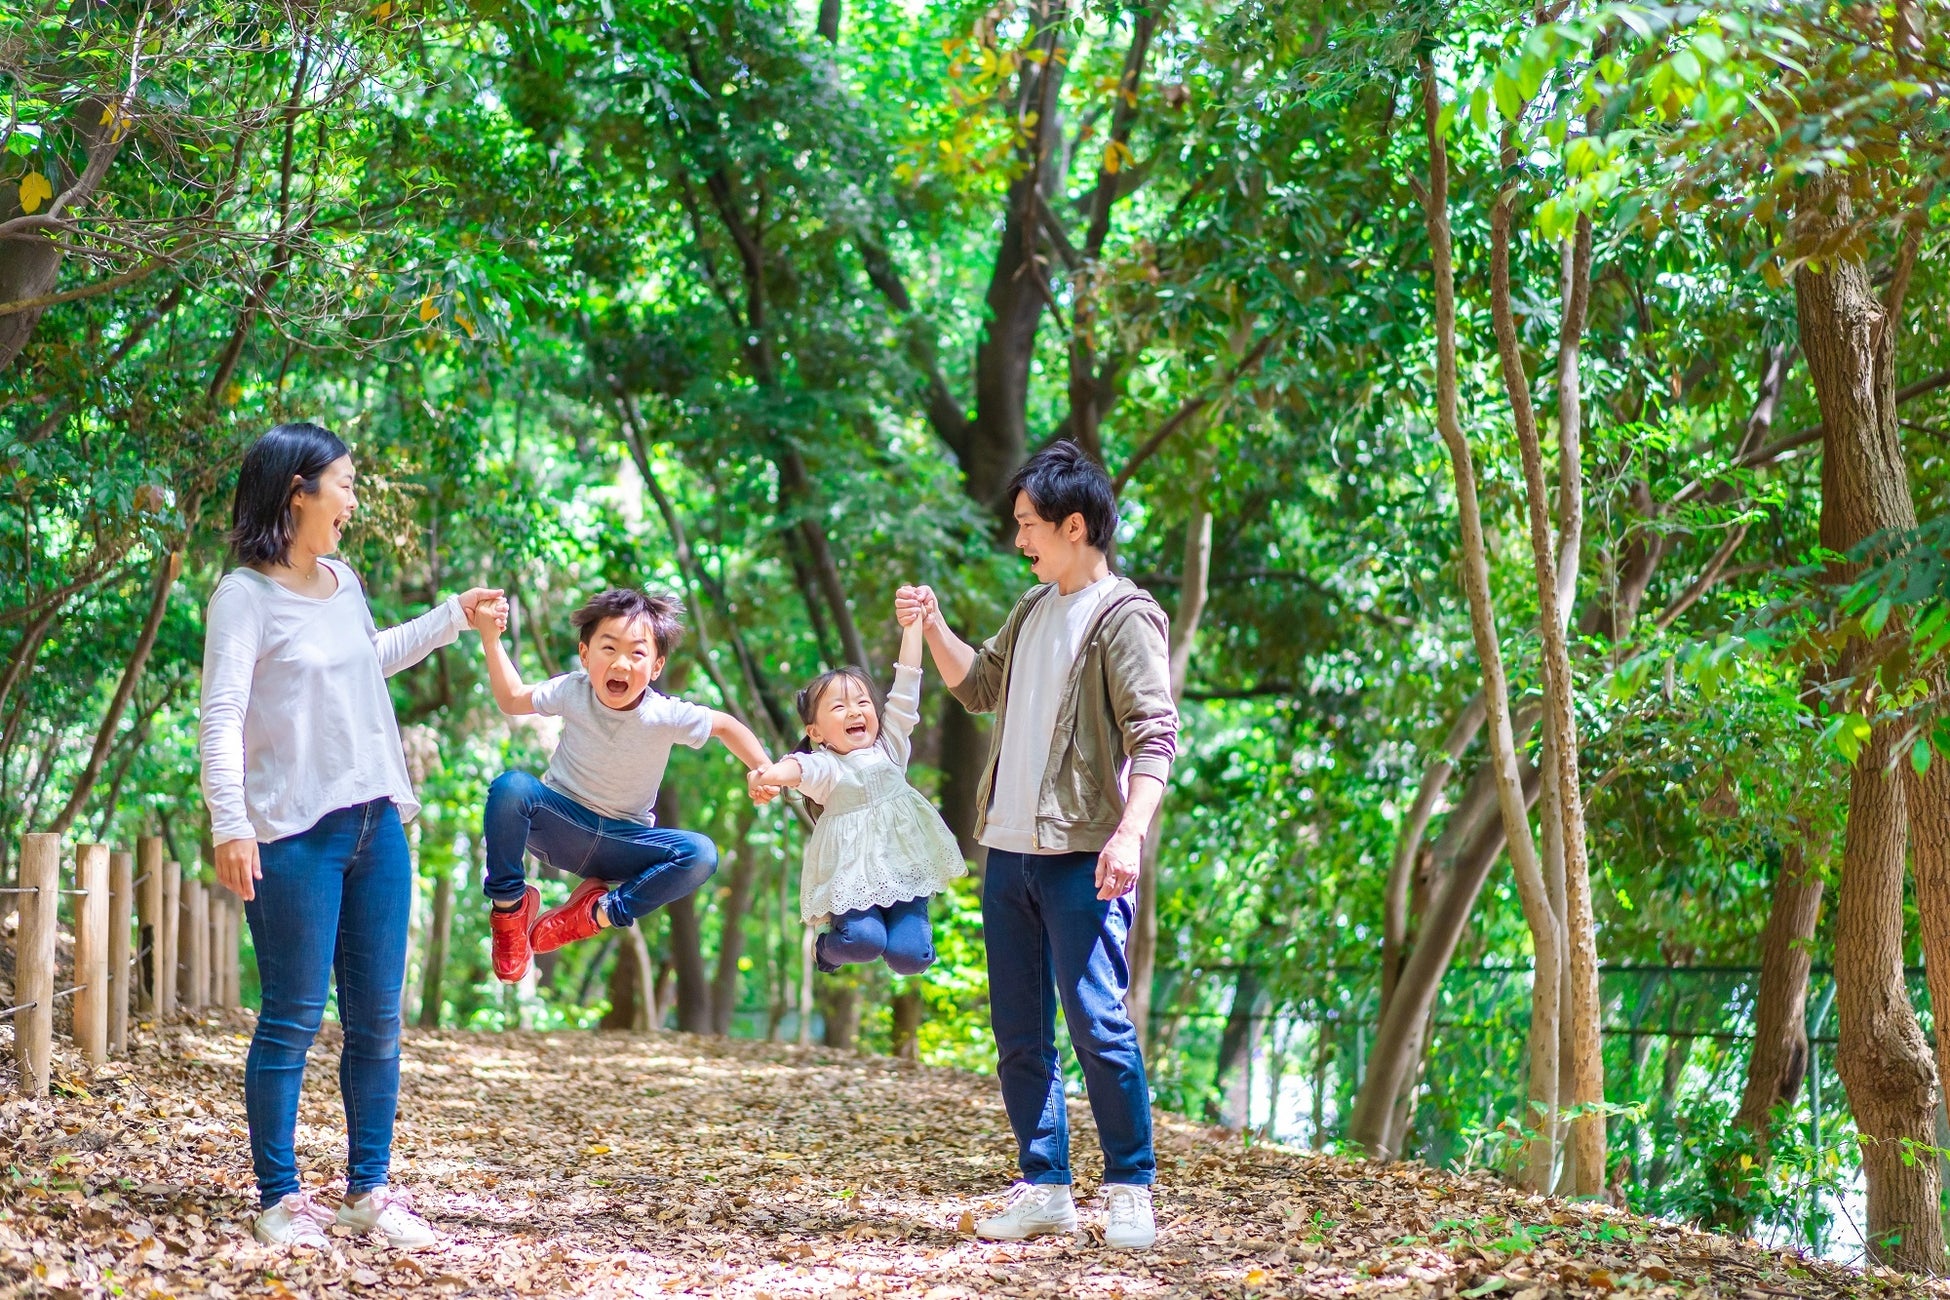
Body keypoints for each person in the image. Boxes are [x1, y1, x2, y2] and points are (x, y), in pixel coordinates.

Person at [201, 422, 502, 1251]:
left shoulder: (344, 579)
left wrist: (450, 617)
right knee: (292, 1019)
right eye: (345, 482)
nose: (354, 497)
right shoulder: (244, 597)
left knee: (377, 1023)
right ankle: (280, 1199)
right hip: (293, 834)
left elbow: (365, 660)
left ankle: (369, 1192)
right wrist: (232, 822)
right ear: (297, 492)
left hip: (377, 825)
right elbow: (222, 714)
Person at [898, 440, 1178, 1250]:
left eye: (1029, 525)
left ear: (1076, 525)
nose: (1019, 539)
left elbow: (1155, 737)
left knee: (1098, 1023)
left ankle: (1130, 1184)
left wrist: (1130, 833)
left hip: (1083, 854)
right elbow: (978, 687)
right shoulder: (1031, 610)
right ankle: (1045, 1184)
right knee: (1020, 1032)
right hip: (1009, 849)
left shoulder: (1126, 619)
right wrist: (934, 624)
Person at [473, 587, 771, 980]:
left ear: (656, 666)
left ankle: (598, 912)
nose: (621, 663)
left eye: (637, 652)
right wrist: (490, 639)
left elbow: (726, 726)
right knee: (511, 788)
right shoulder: (572, 690)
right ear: (585, 655)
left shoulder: (665, 714)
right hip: (559, 827)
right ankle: (510, 910)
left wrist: (763, 767)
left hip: (622, 843)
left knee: (701, 854)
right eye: (609, 648)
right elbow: (512, 699)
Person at [745, 606, 965, 975]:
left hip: (904, 873)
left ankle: (915, 942)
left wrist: (912, 625)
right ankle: (826, 953)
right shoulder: (826, 766)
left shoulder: (891, 744)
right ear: (815, 732)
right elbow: (795, 768)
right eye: (839, 706)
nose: (854, 711)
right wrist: (765, 776)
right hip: (852, 879)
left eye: (862, 702)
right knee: (863, 942)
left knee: (910, 957)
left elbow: (908, 682)